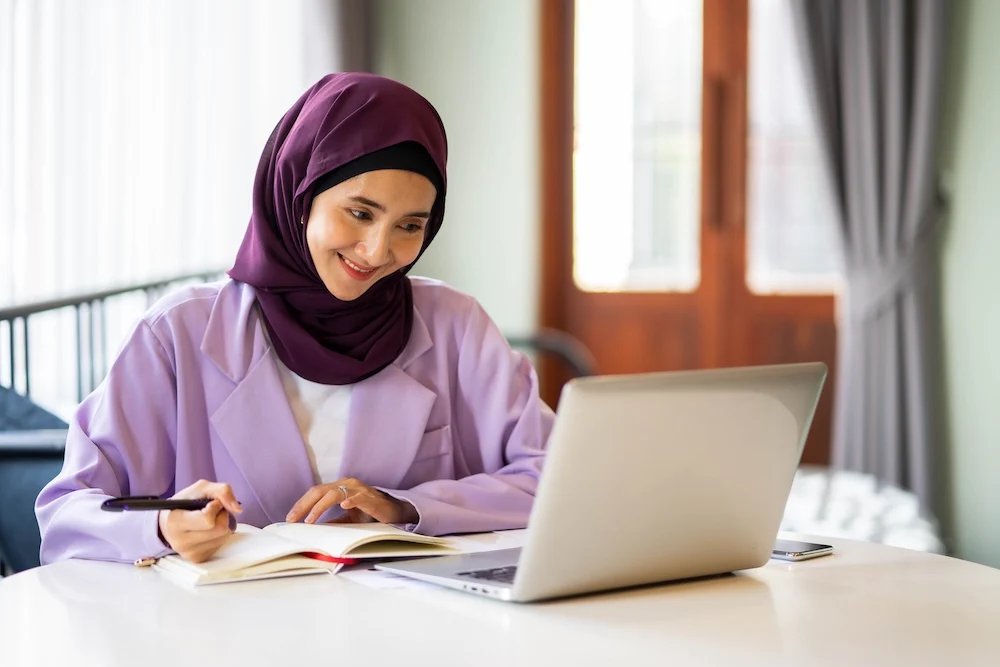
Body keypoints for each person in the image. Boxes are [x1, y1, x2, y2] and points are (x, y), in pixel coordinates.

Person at [35, 73, 554, 565]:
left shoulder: (456, 325)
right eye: (360, 212)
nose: (378, 250)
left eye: (411, 225)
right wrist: (162, 527)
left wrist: (406, 507)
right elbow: (66, 514)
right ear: (298, 193)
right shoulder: (176, 334)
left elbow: (558, 476)